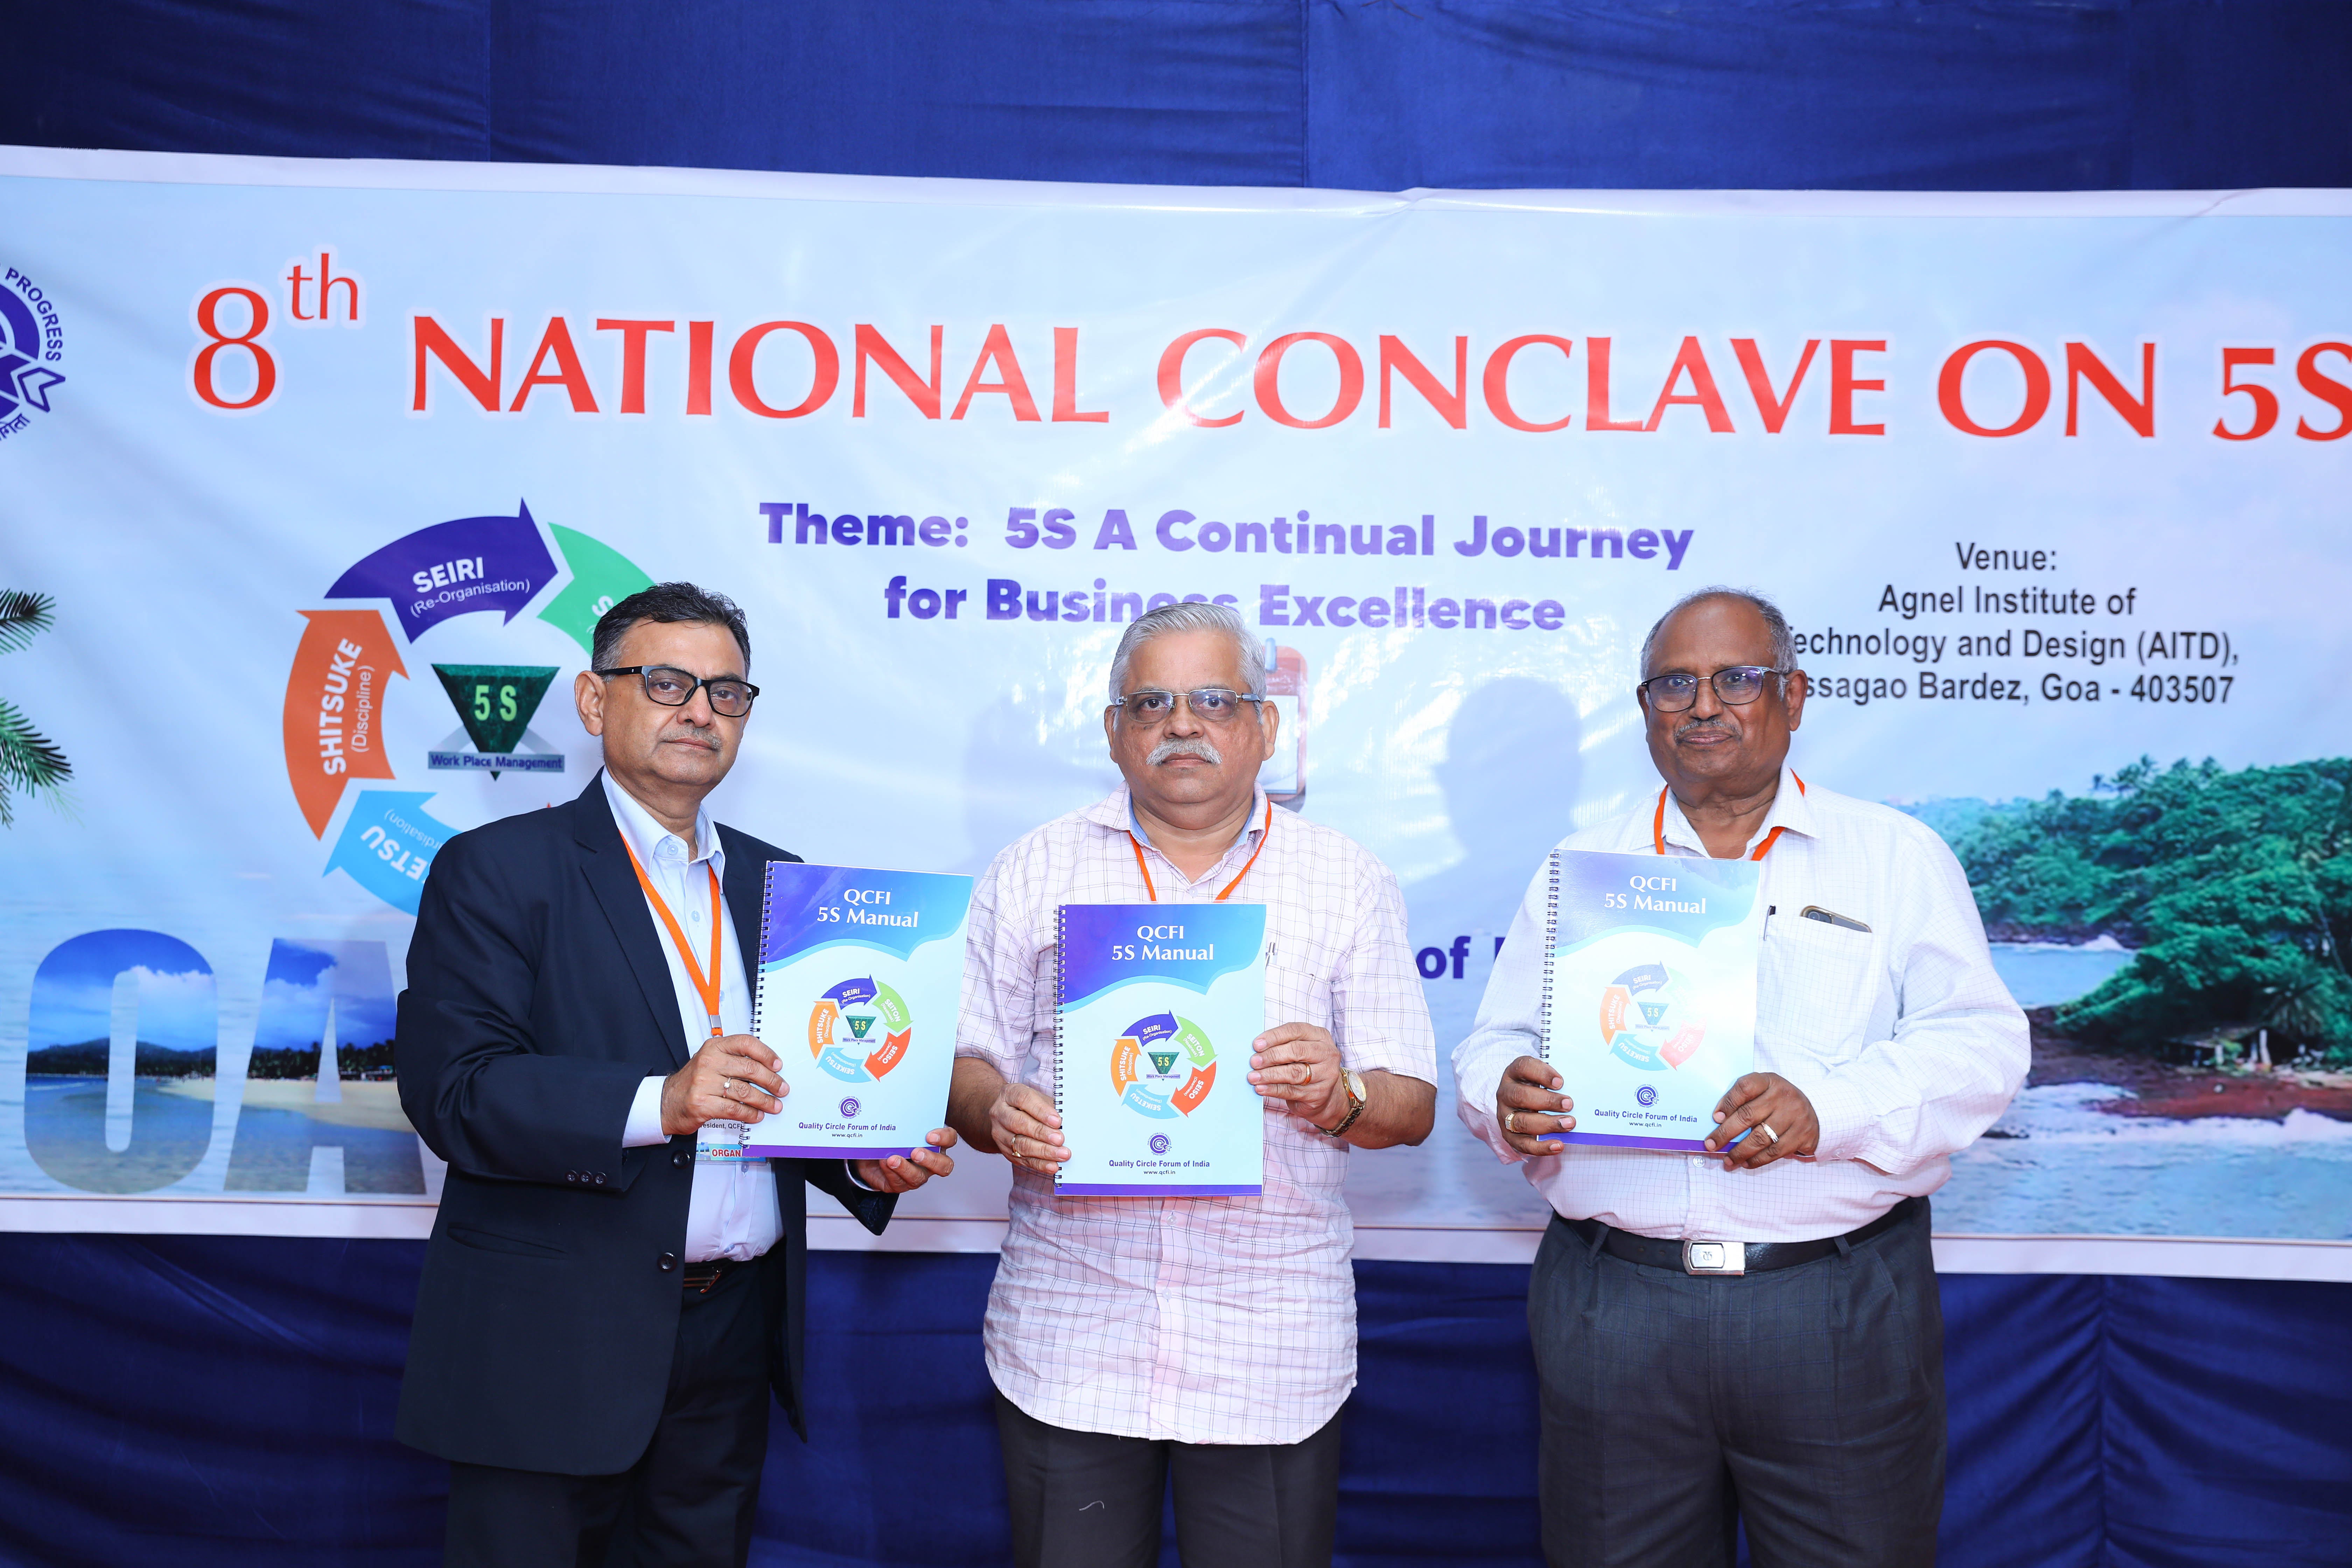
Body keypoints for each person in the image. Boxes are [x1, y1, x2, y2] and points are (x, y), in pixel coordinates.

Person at [1453, 586, 2027, 1568]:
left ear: (1793, 697)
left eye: (1738, 680)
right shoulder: (1582, 866)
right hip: (1615, 1304)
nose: (1704, 707)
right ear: (1646, 710)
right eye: (1675, 685)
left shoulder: (1893, 856)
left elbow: (1981, 1045)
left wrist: (1830, 1109)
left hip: (1831, 1304)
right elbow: (1495, 1037)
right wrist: (1504, 1091)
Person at [394, 582, 956, 1568]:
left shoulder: (782, 886)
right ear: (592, 700)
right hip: (553, 1343)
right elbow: (458, 1093)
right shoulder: (497, 871)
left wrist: (860, 1160)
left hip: (730, 1341)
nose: (700, 710)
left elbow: (792, 1091)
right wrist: (664, 1100)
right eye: (665, 683)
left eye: (726, 692)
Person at [949, 600, 1438, 1568]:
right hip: (1072, 1335)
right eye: (1153, 703)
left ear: (1265, 724)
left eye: (1214, 701)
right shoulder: (1033, 869)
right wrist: (992, 1109)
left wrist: (1341, 1095)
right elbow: (965, 1064)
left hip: (1269, 1347)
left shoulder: (1347, 880)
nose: (1182, 724)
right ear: (1114, 731)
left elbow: (1412, 1104)